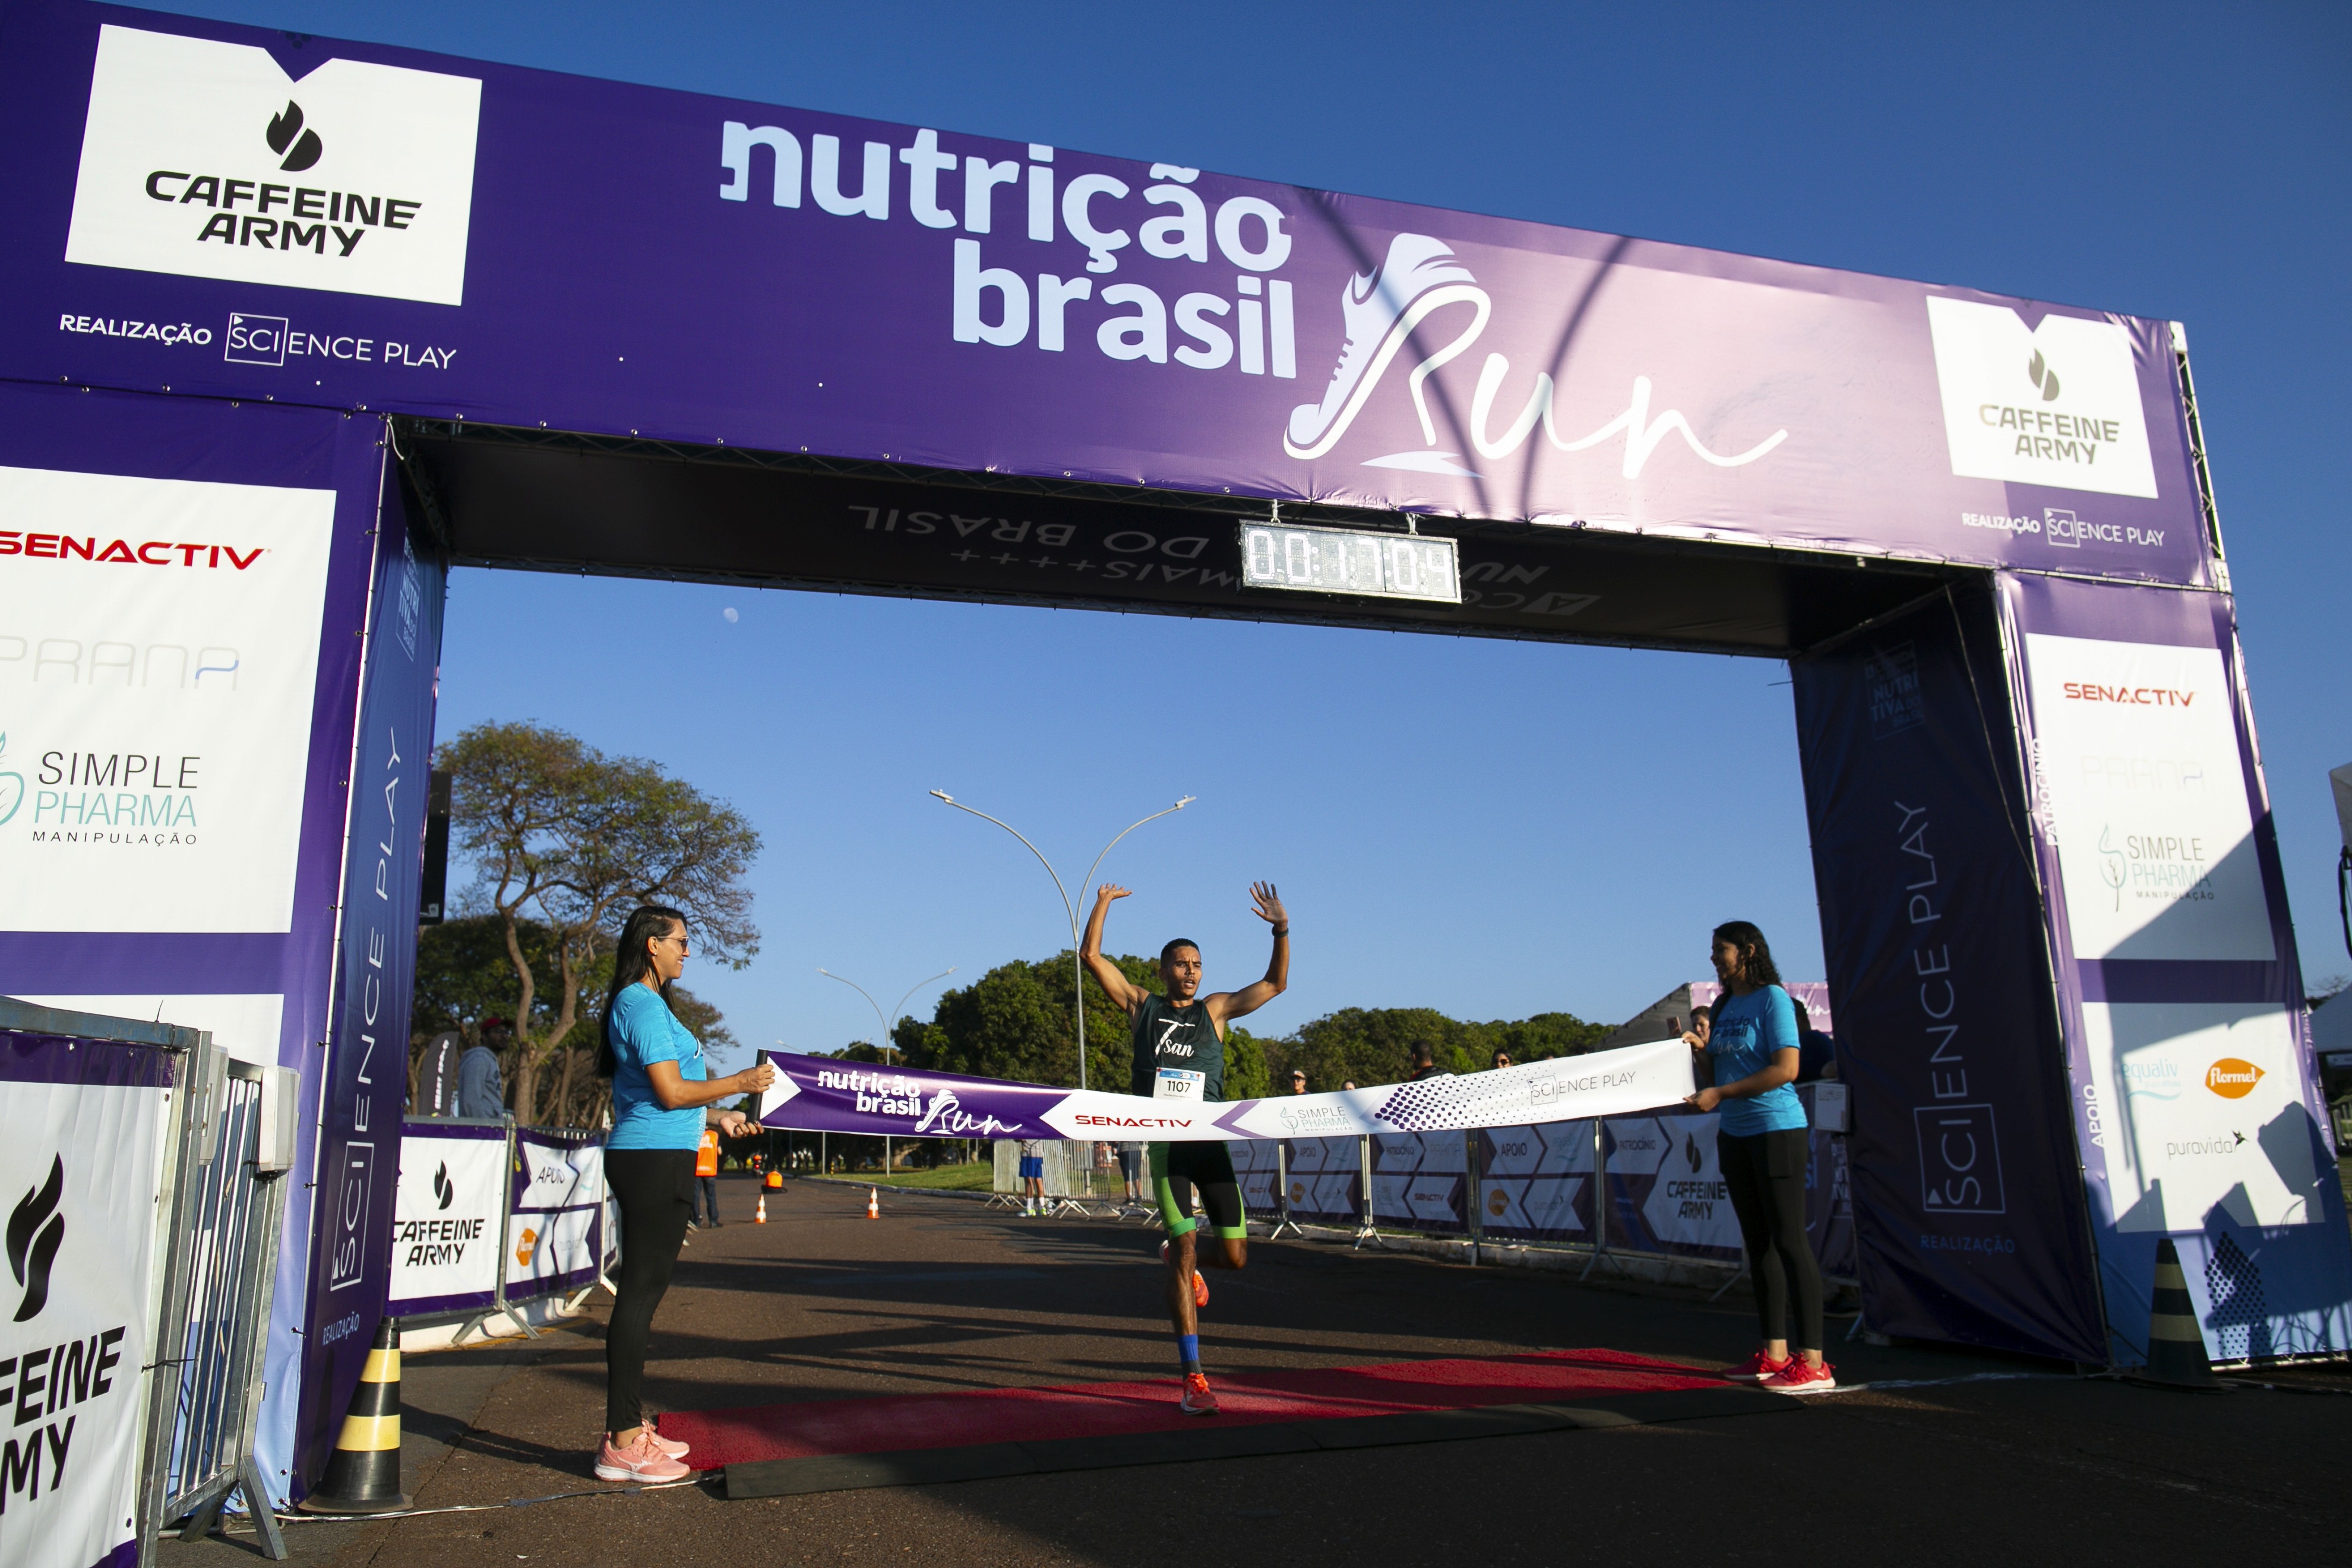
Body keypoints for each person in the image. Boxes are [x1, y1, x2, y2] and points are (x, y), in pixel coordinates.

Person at [1082, 879, 1289, 1416]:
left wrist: (1281, 929)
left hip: (1210, 1146)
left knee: (1237, 1258)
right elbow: (1091, 956)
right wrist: (1103, 902)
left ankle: (1182, 1257)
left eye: (1196, 963)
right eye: (1180, 963)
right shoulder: (1142, 1006)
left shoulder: (1216, 1011)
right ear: (1162, 970)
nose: (1191, 970)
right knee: (1189, 1246)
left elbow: (1275, 984)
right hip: (1169, 1148)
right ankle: (1194, 1378)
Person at [592, 905, 777, 1481]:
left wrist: (720, 1115)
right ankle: (622, 1442)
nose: (687, 951)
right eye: (681, 941)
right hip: (648, 1161)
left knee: (644, 1296)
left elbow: (665, 1098)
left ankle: (628, 1428)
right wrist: (743, 1083)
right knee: (638, 1298)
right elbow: (670, 1092)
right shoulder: (639, 1003)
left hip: (661, 1152)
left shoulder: (649, 1004)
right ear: (653, 945)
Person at [1683, 921, 1833, 1395]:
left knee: (1791, 1242)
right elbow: (1717, 1070)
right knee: (1759, 1245)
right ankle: (1773, 1355)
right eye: (1712, 951)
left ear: (1747, 951)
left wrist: (1721, 1091)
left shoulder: (1775, 1000)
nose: (1713, 959)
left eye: (1720, 950)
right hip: (1736, 1133)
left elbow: (1785, 1069)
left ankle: (1815, 1363)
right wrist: (1699, 1053)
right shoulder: (1725, 1005)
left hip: (1776, 1130)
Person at [457, 1020, 507, 1118]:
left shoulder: (489, 1060)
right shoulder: (479, 1059)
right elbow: (471, 1100)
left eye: (506, 1032)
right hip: (481, 1130)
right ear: (484, 1036)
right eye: (498, 1032)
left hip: (491, 1128)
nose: (504, 1036)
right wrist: (483, 1129)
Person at [690, 1124, 722, 1229]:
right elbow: (720, 1152)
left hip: (697, 1170)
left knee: (695, 1197)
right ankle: (713, 1221)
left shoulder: (695, 1135)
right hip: (710, 1170)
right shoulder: (715, 1135)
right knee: (711, 1196)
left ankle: (696, 1221)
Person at [1017, 1137, 1047, 1215]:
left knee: (1029, 1180)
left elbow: (1021, 1139)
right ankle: (1042, 1206)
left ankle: (1030, 1208)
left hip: (1029, 1153)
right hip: (1039, 1153)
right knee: (1038, 1179)